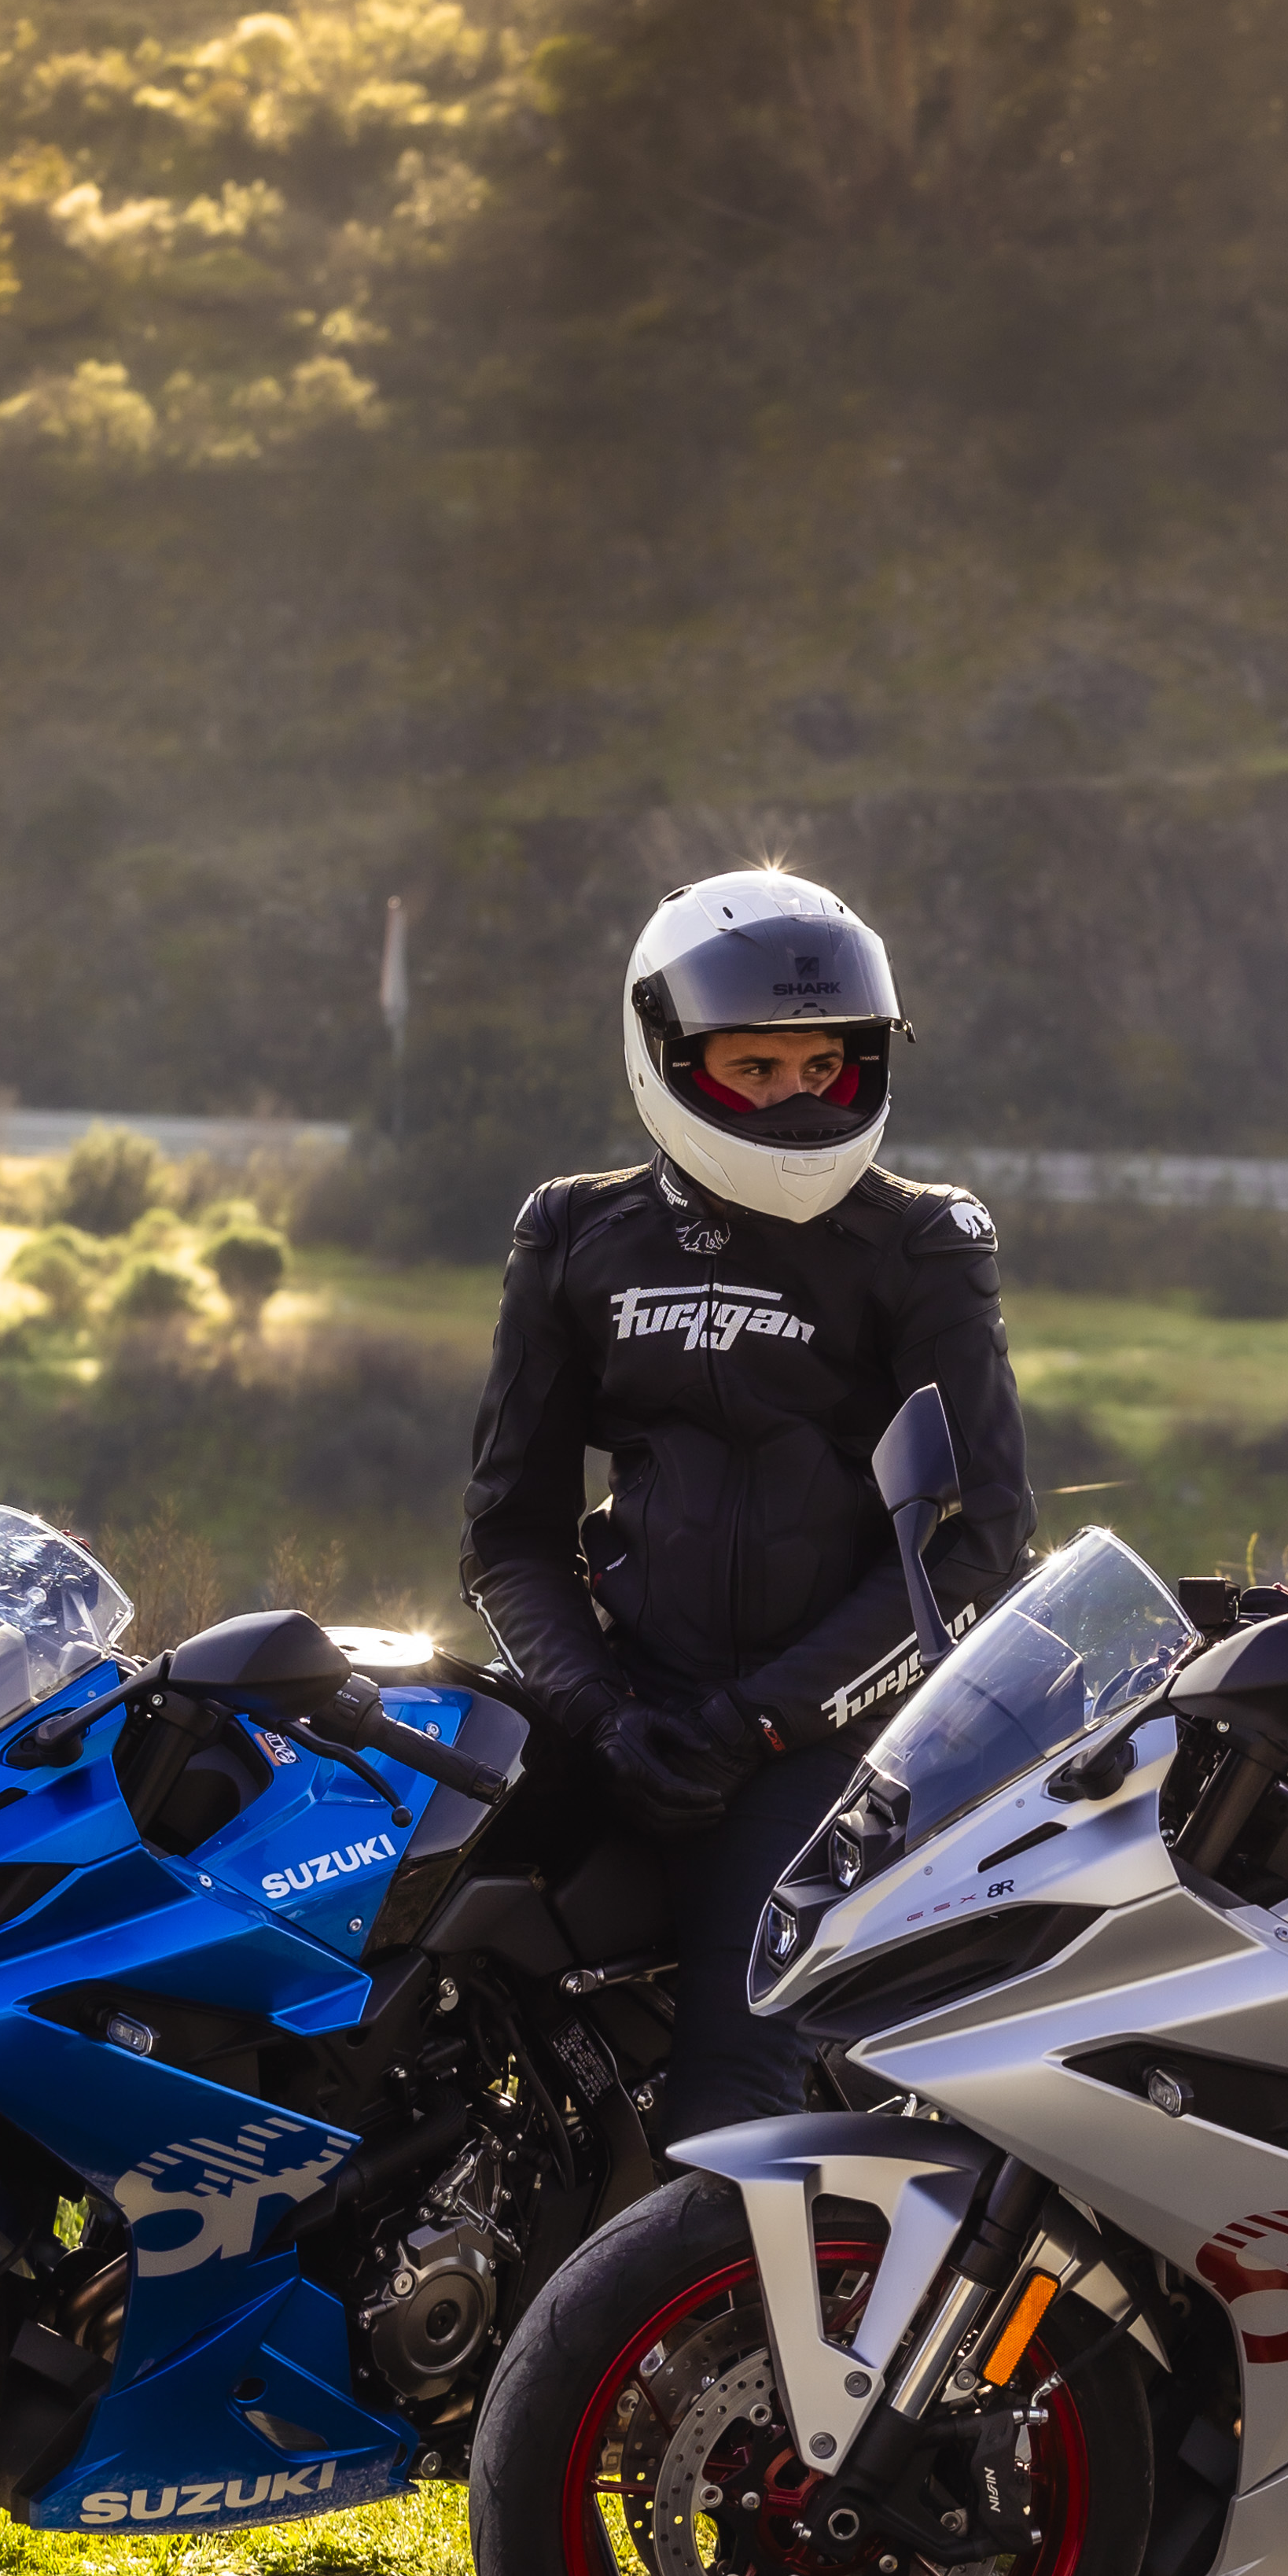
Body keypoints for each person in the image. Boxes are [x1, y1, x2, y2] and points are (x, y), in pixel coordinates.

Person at [460, 865, 1036, 2138]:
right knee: (399, 1980)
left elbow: (974, 1549)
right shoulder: (573, 1234)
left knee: (727, 2114)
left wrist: (752, 1728)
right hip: (613, 1706)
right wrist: (597, 1713)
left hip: (819, 1742)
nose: (795, 1098)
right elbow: (509, 1534)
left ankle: (712, 2265)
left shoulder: (923, 1243)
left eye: (823, 1067)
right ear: (668, 1056)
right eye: (754, 1069)